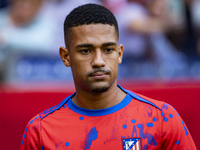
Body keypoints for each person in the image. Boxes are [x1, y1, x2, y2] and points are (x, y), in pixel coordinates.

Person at [20, 3, 197, 150]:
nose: (98, 61)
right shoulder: (41, 131)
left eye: (108, 50)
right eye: (86, 51)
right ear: (66, 57)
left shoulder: (161, 119)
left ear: (119, 54)